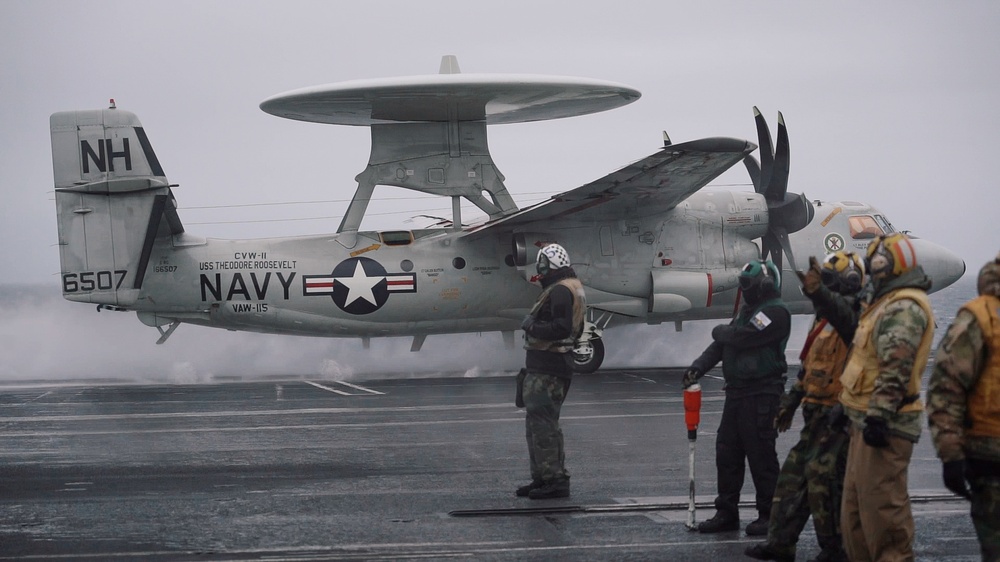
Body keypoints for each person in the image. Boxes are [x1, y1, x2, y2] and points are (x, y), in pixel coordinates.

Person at [745, 251, 864, 562]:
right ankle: (780, 544)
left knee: (824, 483)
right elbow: (811, 366)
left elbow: (843, 318)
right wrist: (792, 400)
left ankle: (835, 550)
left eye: (826, 282)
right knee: (791, 479)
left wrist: (820, 293)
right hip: (815, 414)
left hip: (839, 418)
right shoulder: (823, 322)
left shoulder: (857, 318)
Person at [835, 233, 935, 562]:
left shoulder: (904, 306)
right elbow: (865, 362)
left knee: (883, 518)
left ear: (891, 266)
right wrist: (846, 405)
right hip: (862, 418)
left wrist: (878, 415)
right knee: (854, 519)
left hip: (885, 425)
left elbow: (895, 367)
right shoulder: (883, 305)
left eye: (877, 262)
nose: (872, 269)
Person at [683, 259, 791, 536]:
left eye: (747, 285)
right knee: (727, 453)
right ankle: (726, 512)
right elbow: (721, 345)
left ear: (763, 286)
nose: (743, 290)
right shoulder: (748, 312)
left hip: (762, 394)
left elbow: (742, 338)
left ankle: (770, 515)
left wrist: (720, 330)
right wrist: (697, 367)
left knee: (761, 456)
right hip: (738, 394)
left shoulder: (775, 313)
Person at [927, 252, 1000, 562]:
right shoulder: (980, 318)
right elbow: (948, 387)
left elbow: (945, 388)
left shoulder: (976, 317)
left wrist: (950, 455)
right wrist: (952, 454)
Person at [516, 243, 586, 500]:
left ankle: (554, 480)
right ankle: (543, 477)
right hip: (549, 365)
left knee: (544, 426)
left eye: (543, 265)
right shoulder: (570, 287)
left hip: (548, 366)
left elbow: (561, 328)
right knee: (538, 425)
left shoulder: (559, 291)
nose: (540, 270)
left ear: (551, 265)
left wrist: (531, 325)